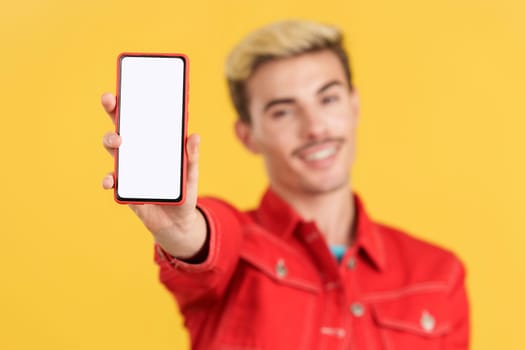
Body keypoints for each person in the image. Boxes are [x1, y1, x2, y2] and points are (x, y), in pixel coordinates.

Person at [101, 20, 469, 350]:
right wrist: (181, 230)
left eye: (328, 99)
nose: (315, 128)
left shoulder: (438, 275)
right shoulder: (236, 245)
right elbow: (204, 245)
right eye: (282, 111)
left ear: (354, 105)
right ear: (248, 136)